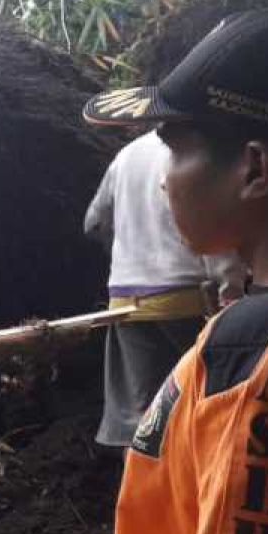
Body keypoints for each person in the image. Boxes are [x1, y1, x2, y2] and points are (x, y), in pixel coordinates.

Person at [83, 9, 268, 534]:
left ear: (255, 170)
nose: (165, 184)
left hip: (133, 300)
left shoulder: (251, 363)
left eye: (175, 151)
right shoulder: (237, 339)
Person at [84, 131, 244, 448]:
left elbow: (94, 222)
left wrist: (127, 253)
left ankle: (140, 490)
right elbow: (214, 229)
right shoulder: (197, 149)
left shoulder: (126, 155)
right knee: (201, 406)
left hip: (126, 300)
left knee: (142, 418)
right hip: (187, 298)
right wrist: (233, 293)